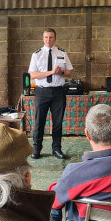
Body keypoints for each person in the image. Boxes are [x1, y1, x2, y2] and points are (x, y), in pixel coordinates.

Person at [28, 28, 73, 159]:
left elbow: (69, 72)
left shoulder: (62, 53)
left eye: (51, 37)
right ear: (43, 38)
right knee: (39, 122)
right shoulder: (37, 54)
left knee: (58, 123)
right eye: (46, 37)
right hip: (42, 91)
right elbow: (32, 74)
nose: (48, 40)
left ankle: (57, 149)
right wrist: (50, 72)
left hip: (58, 92)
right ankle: (36, 149)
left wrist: (61, 72)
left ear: (55, 39)